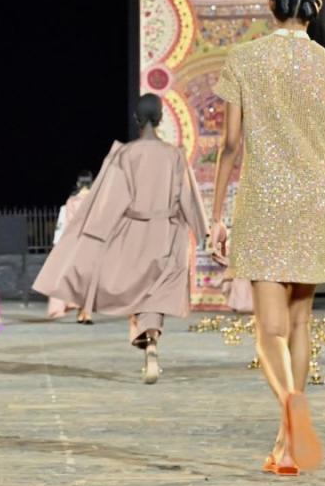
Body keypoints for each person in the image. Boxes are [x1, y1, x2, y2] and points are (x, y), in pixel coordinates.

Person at [210, 0, 325, 476]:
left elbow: (230, 147)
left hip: (265, 205)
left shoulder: (245, 60)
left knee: (267, 330)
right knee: (299, 324)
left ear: (270, 3)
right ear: (315, 7)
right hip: (318, 205)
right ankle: (289, 445)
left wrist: (216, 218)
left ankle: (292, 412)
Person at [33, 95, 208, 383]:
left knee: (137, 284)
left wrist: (93, 237)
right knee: (156, 291)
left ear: (137, 120)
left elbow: (109, 202)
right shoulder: (174, 155)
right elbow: (188, 199)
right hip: (166, 231)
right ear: (162, 118)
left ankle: (143, 335)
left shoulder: (123, 155)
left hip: (133, 230)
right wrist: (205, 235)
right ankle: (151, 340)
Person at [46, 171, 94, 322]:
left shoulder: (72, 201)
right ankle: (85, 313)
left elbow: (66, 225)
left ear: (79, 183)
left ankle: (74, 305)